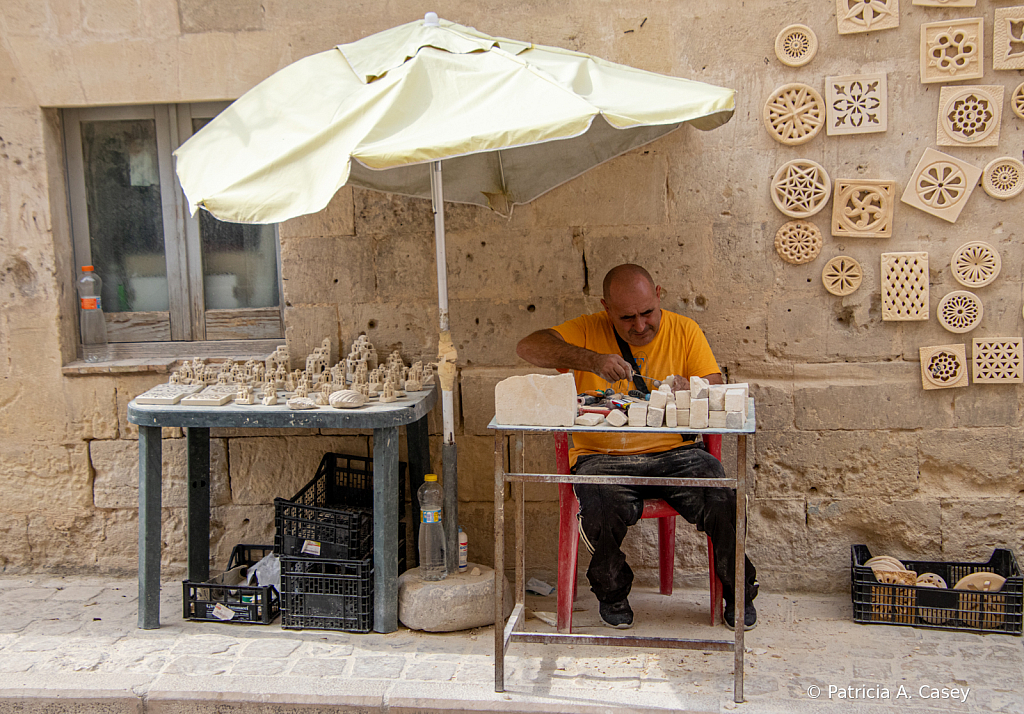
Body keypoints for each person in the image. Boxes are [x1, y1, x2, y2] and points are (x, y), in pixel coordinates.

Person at [516, 264, 758, 630]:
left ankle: (737, 591)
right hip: (603, 458)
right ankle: (612, 592)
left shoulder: (684, 330)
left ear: (659, 294)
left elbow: (713, 384)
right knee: (599, 505)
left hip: (676, 455)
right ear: (606, 307)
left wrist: (687, 389)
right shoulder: (587, 329)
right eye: (627, 317)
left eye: (647, 313)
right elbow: (529, 346)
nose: (641, 326)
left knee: (723, 495)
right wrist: (592, 361)